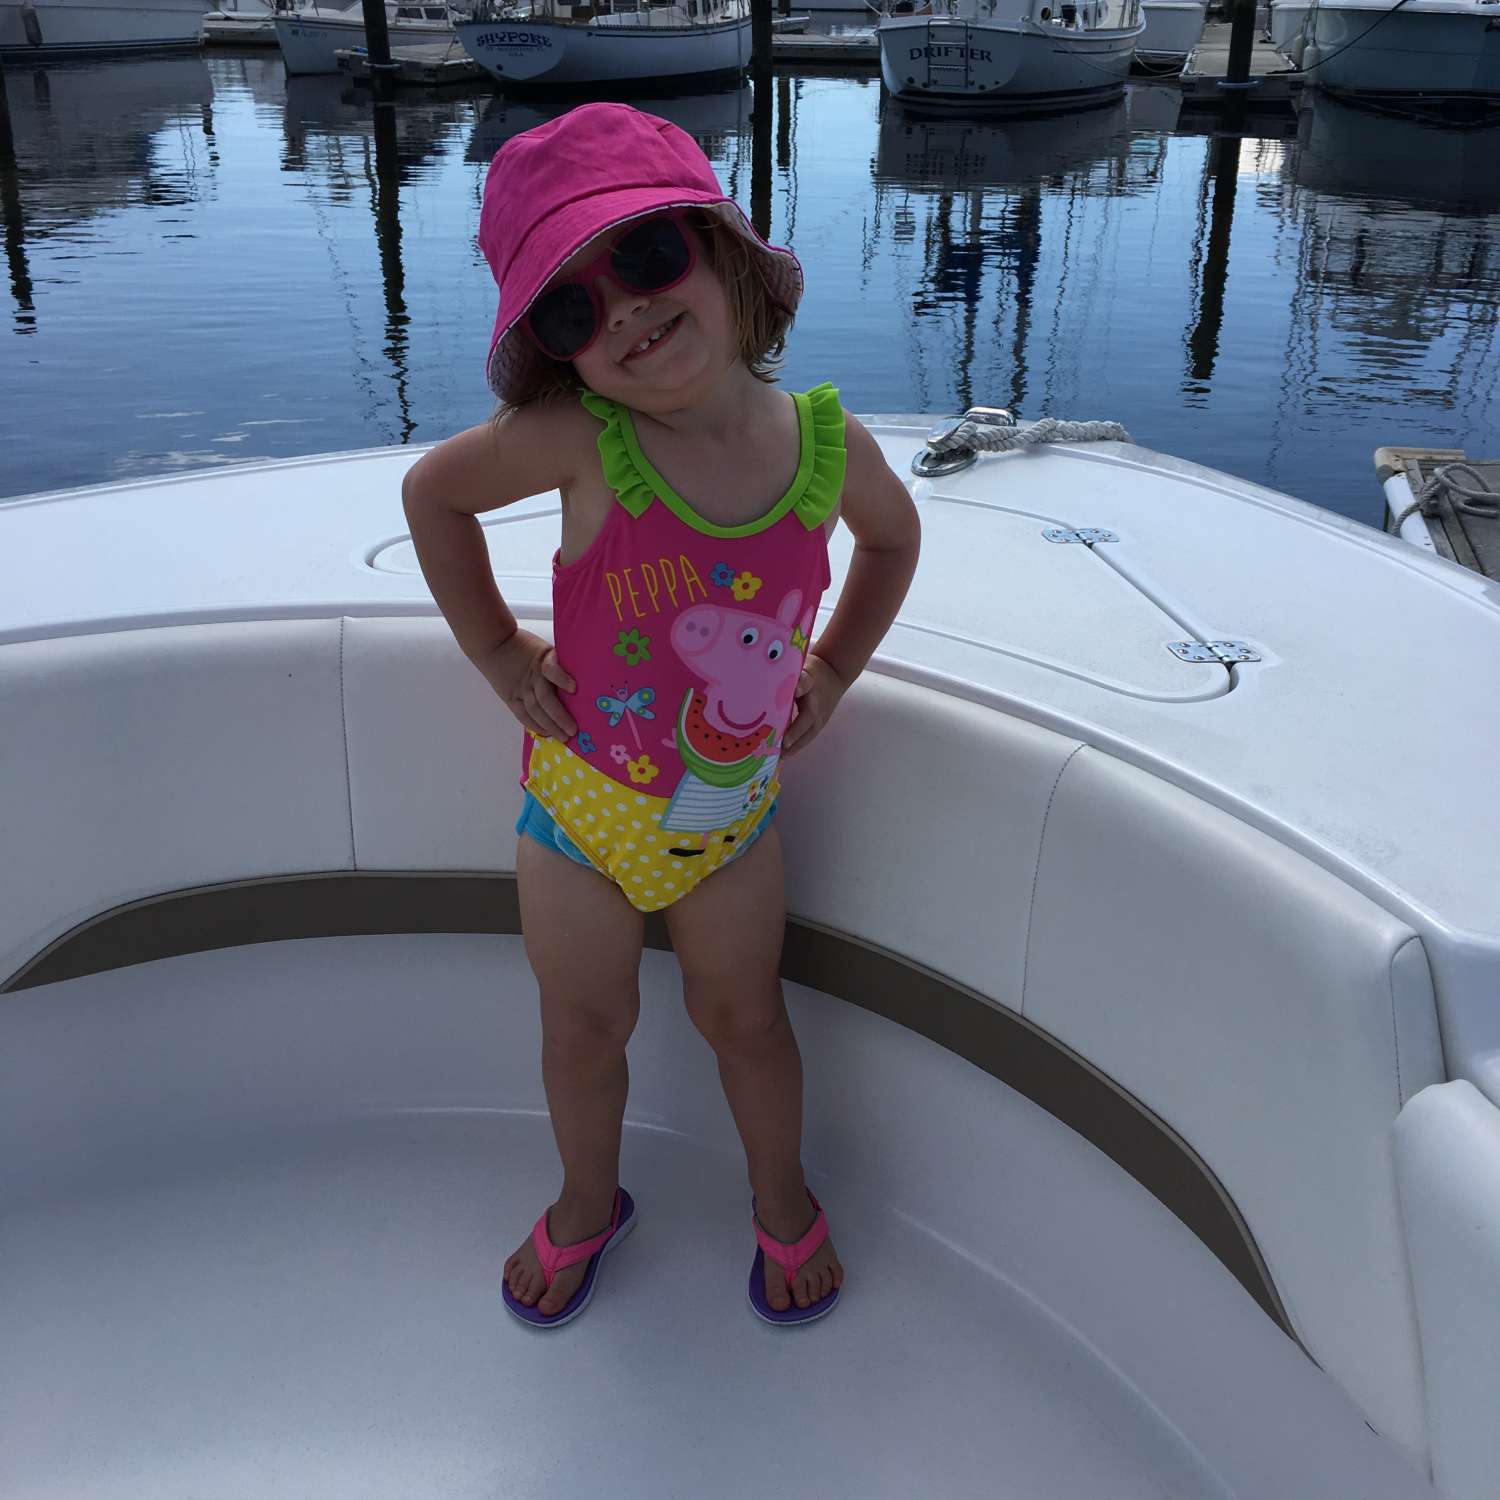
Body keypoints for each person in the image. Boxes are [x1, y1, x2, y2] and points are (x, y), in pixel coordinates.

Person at [402, 102, 920, 1329]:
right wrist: (492, 649)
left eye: (642, 258)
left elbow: (894, 542)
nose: (624, 308)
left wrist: (835, 669)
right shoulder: (581, 440)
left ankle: (782, 1197)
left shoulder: (828, 447)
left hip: (727, 824)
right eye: (575, 307)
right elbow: (433, 496)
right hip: (576, 816)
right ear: (561, 354)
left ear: (724, 253)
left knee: (747, 1020)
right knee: (582, 1031)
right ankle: (589, 1201)